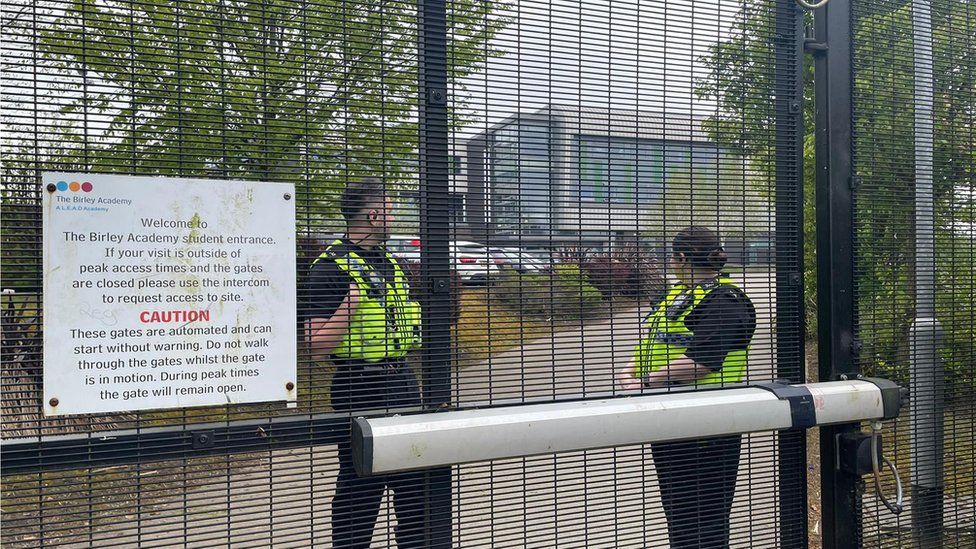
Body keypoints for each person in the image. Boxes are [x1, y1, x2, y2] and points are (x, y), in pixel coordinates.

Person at [618, 226, 757, 549]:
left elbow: (703, 360)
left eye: (672, 255)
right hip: (671, 422)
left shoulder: (726, 299)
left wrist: (646, 382)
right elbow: (652, 343)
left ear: (681, 257)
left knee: (704, 523)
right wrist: (628, 373)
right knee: (679, 517)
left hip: (707, 429)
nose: (670, 261)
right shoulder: (678, 294)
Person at [305, 177, 424, 549]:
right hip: (359, 386)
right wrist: (349, 304)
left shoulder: (391, 264)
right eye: (390, 209)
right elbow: (314, 345)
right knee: (362, 482)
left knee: (414, 481)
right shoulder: (330, 269)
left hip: (402, 379)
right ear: (373, 215)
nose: (395, 216)